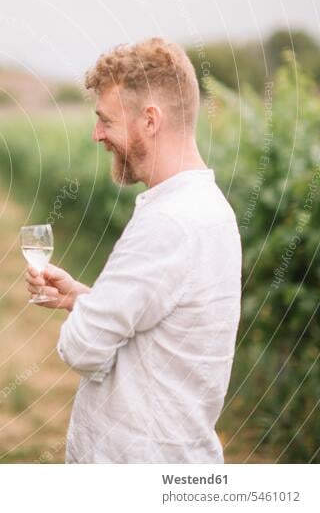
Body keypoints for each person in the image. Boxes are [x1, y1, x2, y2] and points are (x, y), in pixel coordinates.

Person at [26, 37, 242, 463]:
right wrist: (85, 298)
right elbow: (167, 320)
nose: (96, 134)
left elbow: (82, 346)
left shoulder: (168, 221)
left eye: (105, 120)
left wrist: (88, 317)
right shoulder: (210, 207)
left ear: (150, 120)